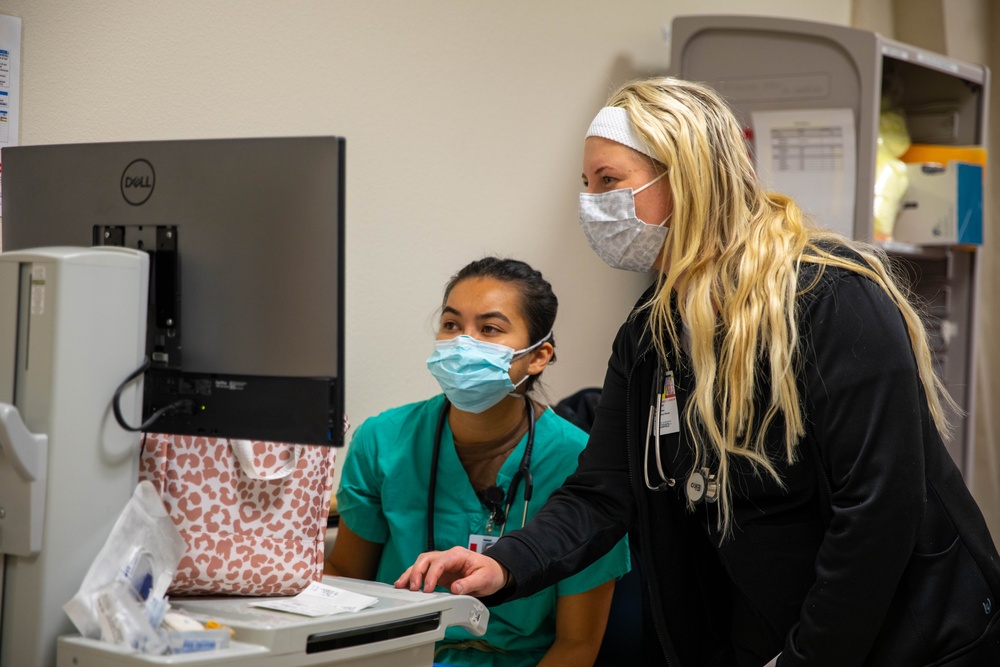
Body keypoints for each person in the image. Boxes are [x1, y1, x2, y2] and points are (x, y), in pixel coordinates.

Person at [396, 77, 1000, 667]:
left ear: (686, 177)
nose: (592, 205)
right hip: (759, 630)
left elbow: (876, 514)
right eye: (586, 184)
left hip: (901, 635)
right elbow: (603, 492)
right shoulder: (652, 330)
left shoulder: (832, 299)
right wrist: (507, 562)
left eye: (610, 182)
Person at [327, 256, 630, 667]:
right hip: (394, 655)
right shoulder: (384, 440)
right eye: (451, 325)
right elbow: (345, 582)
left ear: (538, 356)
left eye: (489, 329)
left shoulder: (582, 463)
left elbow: (577, 644)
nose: (462, 343)